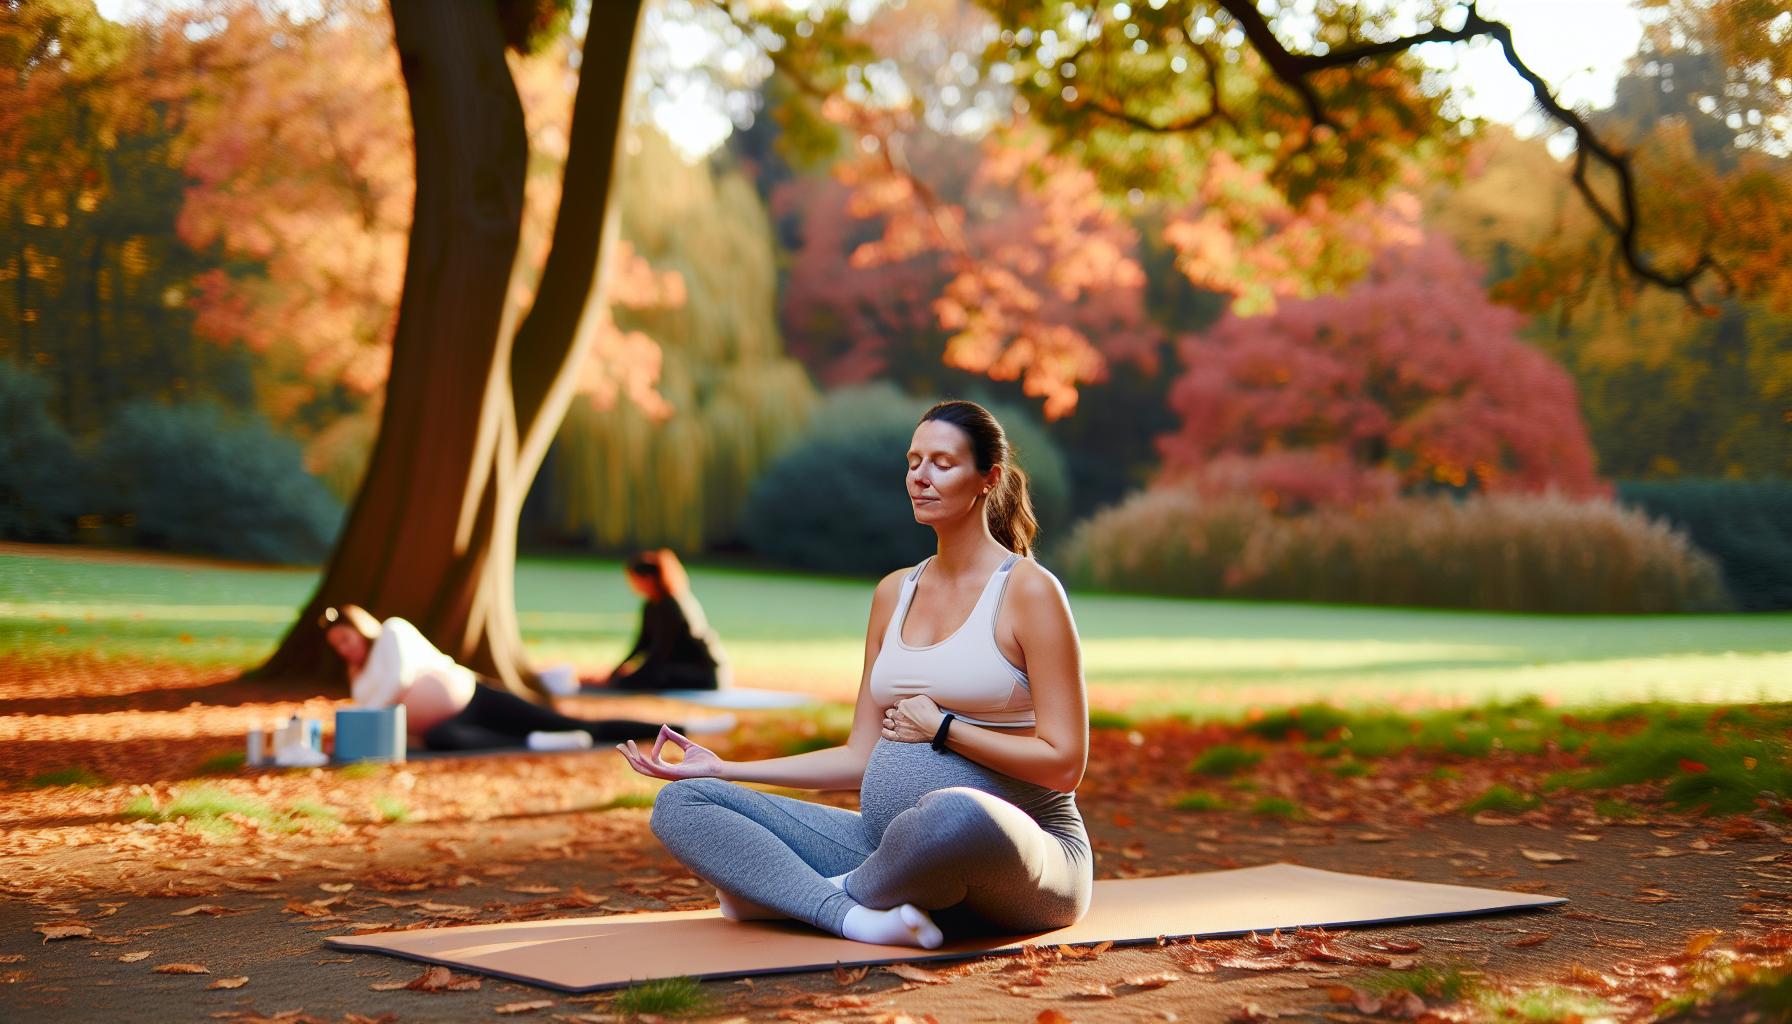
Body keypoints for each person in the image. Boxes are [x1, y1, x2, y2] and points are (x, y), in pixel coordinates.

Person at [619, 400, 1092, 949]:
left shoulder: (1029, 590)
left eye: (942, 463)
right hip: (882, 845)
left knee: (952, 813)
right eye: (913, 461)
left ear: (988, 479)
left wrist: (944, 729)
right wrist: (726, 768)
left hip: (1022, 853)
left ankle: (795, 896)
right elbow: (858, 755)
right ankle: (853, 914)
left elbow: (1064, 765)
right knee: (685, 802)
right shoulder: (894, 592)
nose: (920, 476)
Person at [321, 605, 732, 752]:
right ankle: (538, 743)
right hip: (445, 725)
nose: (345, 649)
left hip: (475, 697)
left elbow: (396, 683)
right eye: (337, 647)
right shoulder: (356, 676)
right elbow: (374, 709)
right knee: (447, 740)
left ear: (361, 628)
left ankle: (683, 727)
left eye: (346, 639)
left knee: (574, 722)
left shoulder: (393, 631)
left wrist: (368, 713)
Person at [590, 549, 731, 692]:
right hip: (675, 668)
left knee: (634, 682)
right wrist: (614, 673)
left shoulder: (671, 605)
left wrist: (624, 679)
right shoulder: (651, 605)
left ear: (648, 578)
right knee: (626, 681)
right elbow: (642, 644)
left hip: (703, 674)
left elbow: (659, 654)